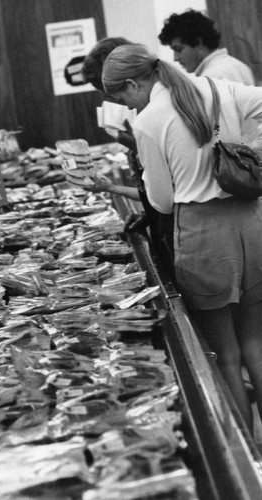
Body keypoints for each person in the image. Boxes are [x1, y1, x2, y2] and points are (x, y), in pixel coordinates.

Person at [101, 43, 262, 433]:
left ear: (131, 84)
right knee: (257, 345)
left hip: (204, 236)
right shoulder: (217, 86)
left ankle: (249, 460)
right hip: (251, 223)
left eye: (121, 97)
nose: (125, 105)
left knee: (225, 354)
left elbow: (162, 202)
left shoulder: (148, 120)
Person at [82, 37, 175, 280]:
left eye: (116, 95)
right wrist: (147, 213)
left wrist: (132, 143)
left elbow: (167, 186)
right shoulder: (147, 107)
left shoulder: (154, 113)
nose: (113, 100)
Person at [158, 9, 255, 85]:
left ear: (198, 42)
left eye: (178, 49)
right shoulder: (239, 66)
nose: (175, 58)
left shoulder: (211, 78)